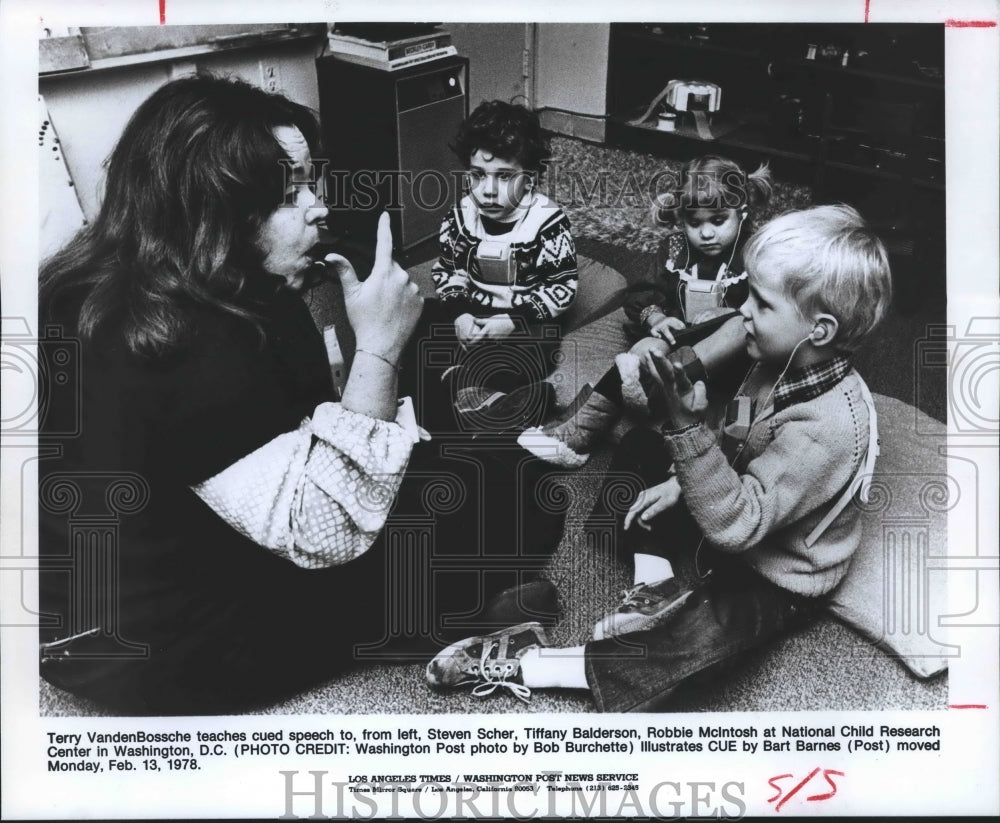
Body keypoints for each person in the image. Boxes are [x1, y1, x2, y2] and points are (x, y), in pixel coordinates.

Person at [37, 76, 564, 715]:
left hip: (91, 610)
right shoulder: (185, 342)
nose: (318, 206)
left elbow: (292, 427)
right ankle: (436, 621)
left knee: (480, 470)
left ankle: (440, 599)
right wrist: (377, 349)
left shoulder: (96, 283)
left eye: (311, 183)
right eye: (292, 194)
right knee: (521, 492)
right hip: (168, 648)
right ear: (216, 207)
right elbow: (328, 532)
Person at [426, 204, 892, 711]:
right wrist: (679, 476)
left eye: (761, 304)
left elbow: (738, 526)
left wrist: (686, 431)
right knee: (639, 451)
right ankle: (656, 585)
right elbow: (735, 429)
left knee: (704, 642)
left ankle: (535, 664)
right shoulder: (775, 359)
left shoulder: (828, 427)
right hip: (732, 505)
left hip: (775, 567)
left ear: (818, 331)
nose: (743, 314)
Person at [519, 155, 772, 467]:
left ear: (742, 212)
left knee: (739, 327)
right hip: (679, 339)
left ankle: (652, 388)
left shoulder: (756, 252)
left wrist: (728, 314)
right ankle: (580, 433)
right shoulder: (675, 249)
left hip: (724, 354)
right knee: (646, 349)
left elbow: (770, 304)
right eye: (695, 223)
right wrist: (656, 316)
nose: (706, 233)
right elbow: (643, 291)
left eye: (718, 221)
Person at [400, 99, 578, 434]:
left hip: (522, 319)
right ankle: (418, 402)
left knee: (539, 345)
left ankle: (489, 396)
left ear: (530, 179)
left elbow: (562, 287)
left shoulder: (547, 221)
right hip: (473, 311)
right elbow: (448, 271)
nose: (488, 190)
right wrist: (459, 315)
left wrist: (512, 321)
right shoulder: (461, 214)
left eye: (505, 177)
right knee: (420, 320)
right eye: (478, 175)